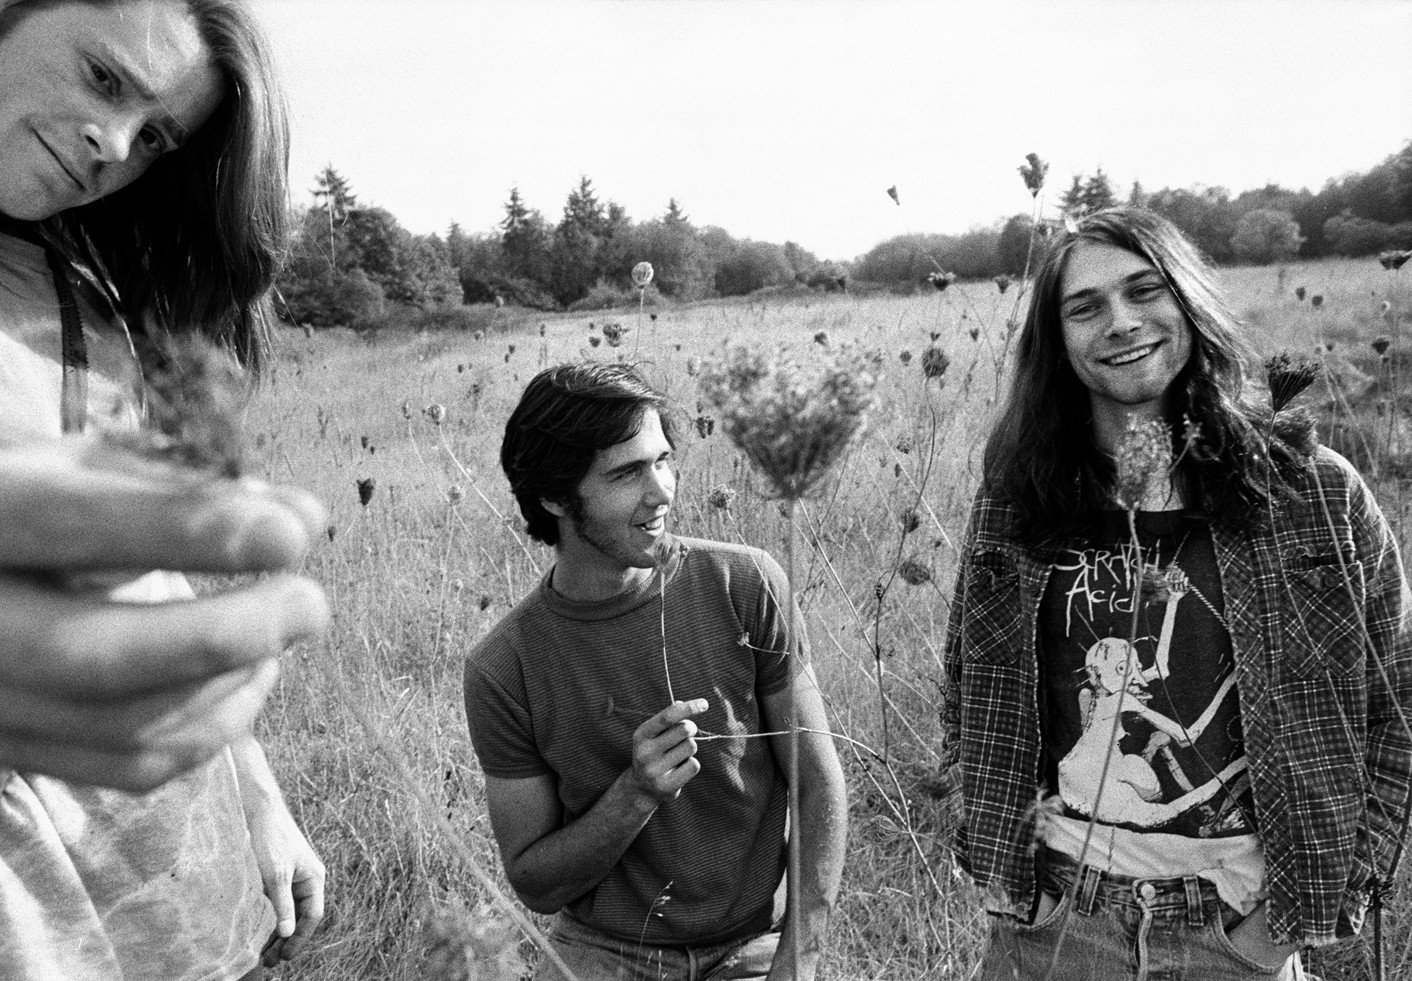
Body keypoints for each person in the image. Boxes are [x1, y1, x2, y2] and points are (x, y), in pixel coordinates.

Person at [0, 1, 328, 978]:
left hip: (153, 897)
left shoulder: (94, 282)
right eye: (104, 78)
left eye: (155, 138)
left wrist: (254, 789)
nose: (113, 145)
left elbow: (141, 571)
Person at [941, 206, 1412, 979]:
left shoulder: (1312, 494)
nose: (1121, 323)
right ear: (1057, 342)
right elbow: (970, 682)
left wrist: (1291, 921)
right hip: (1056, 927)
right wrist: (1009, 877)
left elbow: (1397, 703)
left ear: (1188, 299)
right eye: (1085, 307)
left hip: (1237, 928)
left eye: (1144, 290)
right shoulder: (1020, 496)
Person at [464, 363, 848, 981]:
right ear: (555, 497)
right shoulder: (503, 666)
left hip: (753, 944)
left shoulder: (746, 583)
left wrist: (796, 964)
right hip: (605, 950)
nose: (662, 490)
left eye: (663, 460)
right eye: (626, 473)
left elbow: (817, 784)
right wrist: (635, 793)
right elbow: (535, 883)